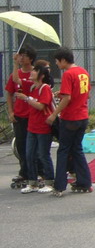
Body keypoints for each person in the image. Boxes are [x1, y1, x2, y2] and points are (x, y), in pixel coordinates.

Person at [46, 46, 93, 196]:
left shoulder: (68, 74)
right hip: (83, 116)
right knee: (77, 149)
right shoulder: (83, 72)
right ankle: (85, 182)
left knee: (63, 150)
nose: (56, 64)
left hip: (70, 117)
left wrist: (54, 114)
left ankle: (59, 186)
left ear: (63, 60)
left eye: (57, 61)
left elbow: (68, 98)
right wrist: (63, 94)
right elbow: (87, 95)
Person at [14, 61, 55, 194]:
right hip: (32, 127)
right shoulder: (31, 87)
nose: (32, 72)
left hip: (43, 127)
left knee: (43, 155)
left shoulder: (45, 88)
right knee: (29, 154)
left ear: (41, 75)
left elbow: (41, 106)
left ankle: (49, 181)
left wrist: (26, 99)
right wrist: (16, 63)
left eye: (35, 71)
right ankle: (32, 183)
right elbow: (16, 79)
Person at [5, 44, 36, 188]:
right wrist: (11, 112)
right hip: (19, 115)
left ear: (31, 58)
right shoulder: (15, 75)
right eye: (20, 55)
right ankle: (24, 172)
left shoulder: (35, 74)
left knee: (34, 146)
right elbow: (9, 93)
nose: (21, 58)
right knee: (21, 144)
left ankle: (37, 172)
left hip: (33, 115)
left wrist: (15, 64)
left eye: (24, 56)